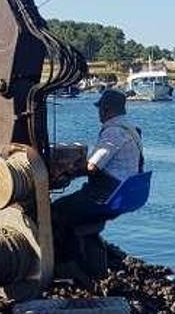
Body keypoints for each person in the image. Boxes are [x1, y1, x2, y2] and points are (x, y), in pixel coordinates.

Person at [51, 89, 144, 272]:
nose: (99, 113)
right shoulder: (131, 129)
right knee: (75, 211)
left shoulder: (113, 132)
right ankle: (91, 261)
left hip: (107, 196)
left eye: (100, 109)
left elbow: (93, 166)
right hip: (125, 194)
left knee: (56, 211)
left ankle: (68, 264)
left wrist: (67, 171)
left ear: (106, 109)